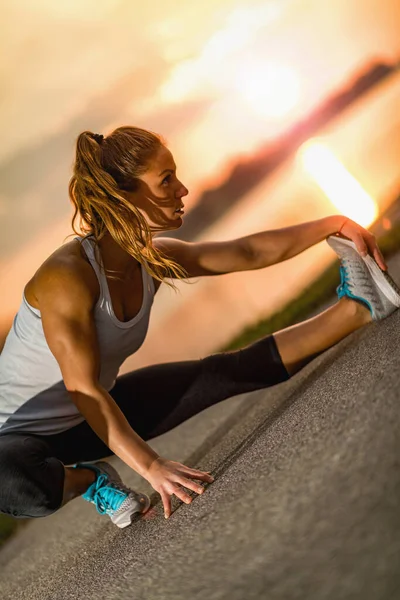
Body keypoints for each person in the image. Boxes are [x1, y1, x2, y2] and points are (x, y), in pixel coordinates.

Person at [0, 126, 399, 528]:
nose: (183, 190)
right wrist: (151, 465)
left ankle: (360, 307)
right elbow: (81, 387)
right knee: (11, 481)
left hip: (92, 416)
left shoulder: (150, 262)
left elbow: (246, 251)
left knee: (223, 373)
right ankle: (88, 479)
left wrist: (333, 223)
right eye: (167, 180)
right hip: (16, 442)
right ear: (124, 194)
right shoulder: (67, 278)